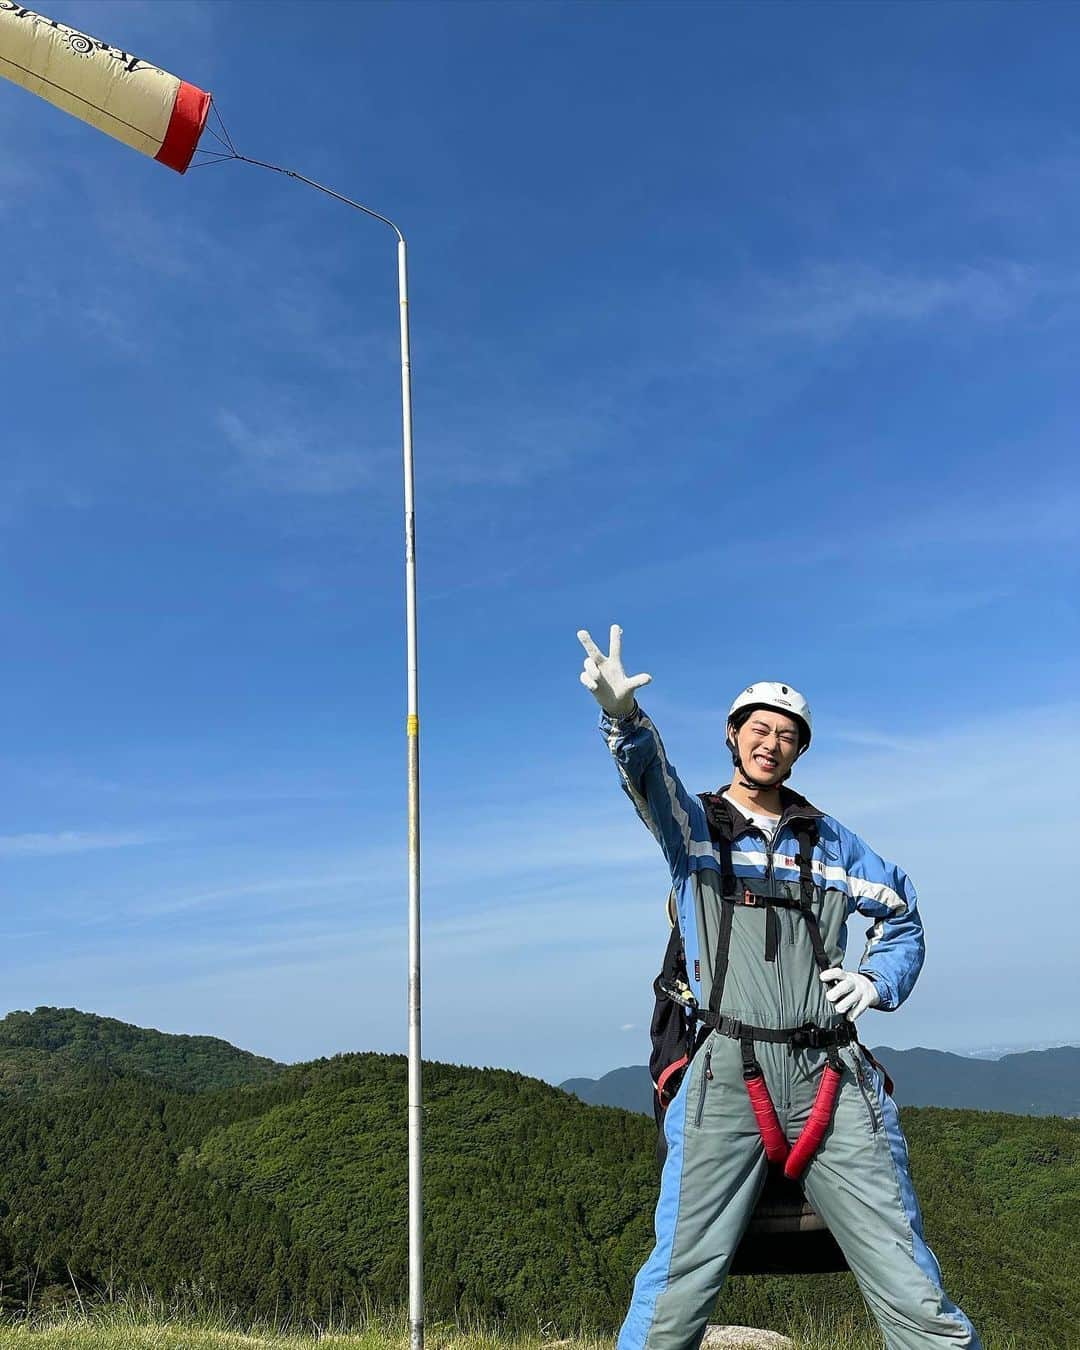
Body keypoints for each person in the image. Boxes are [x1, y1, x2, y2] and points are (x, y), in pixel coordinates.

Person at [577, 625, 981, 1350]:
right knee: (677, 1284)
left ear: (801, 750)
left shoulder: (829, 840)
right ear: (732, 737)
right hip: (727, 1068)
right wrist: (624, 720)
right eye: (758, 729)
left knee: (911, 1282)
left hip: (833, 1070)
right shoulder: (697, 829)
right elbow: (649, 781)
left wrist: (876, 980)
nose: (771, 743)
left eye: (788, 735)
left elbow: (903, 914)